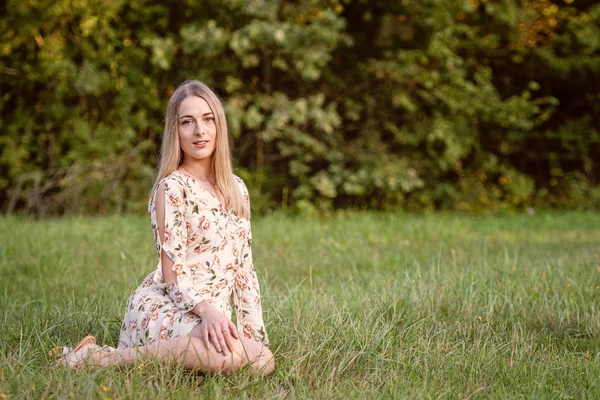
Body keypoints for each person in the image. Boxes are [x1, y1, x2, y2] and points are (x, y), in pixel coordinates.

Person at [53, 80, 274, 375]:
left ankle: (155, 356)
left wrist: (254, 339)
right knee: (235, 356)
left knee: (263, 360)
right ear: (175, 131)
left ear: (219, 125)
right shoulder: (171, 188)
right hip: (171, 307)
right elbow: (172, 275)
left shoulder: (237, 189)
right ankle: (101, 359)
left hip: (215, 315)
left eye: (208, 119)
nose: (200, 131)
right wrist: (207, 312)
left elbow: (244, 271)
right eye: (188, 122)